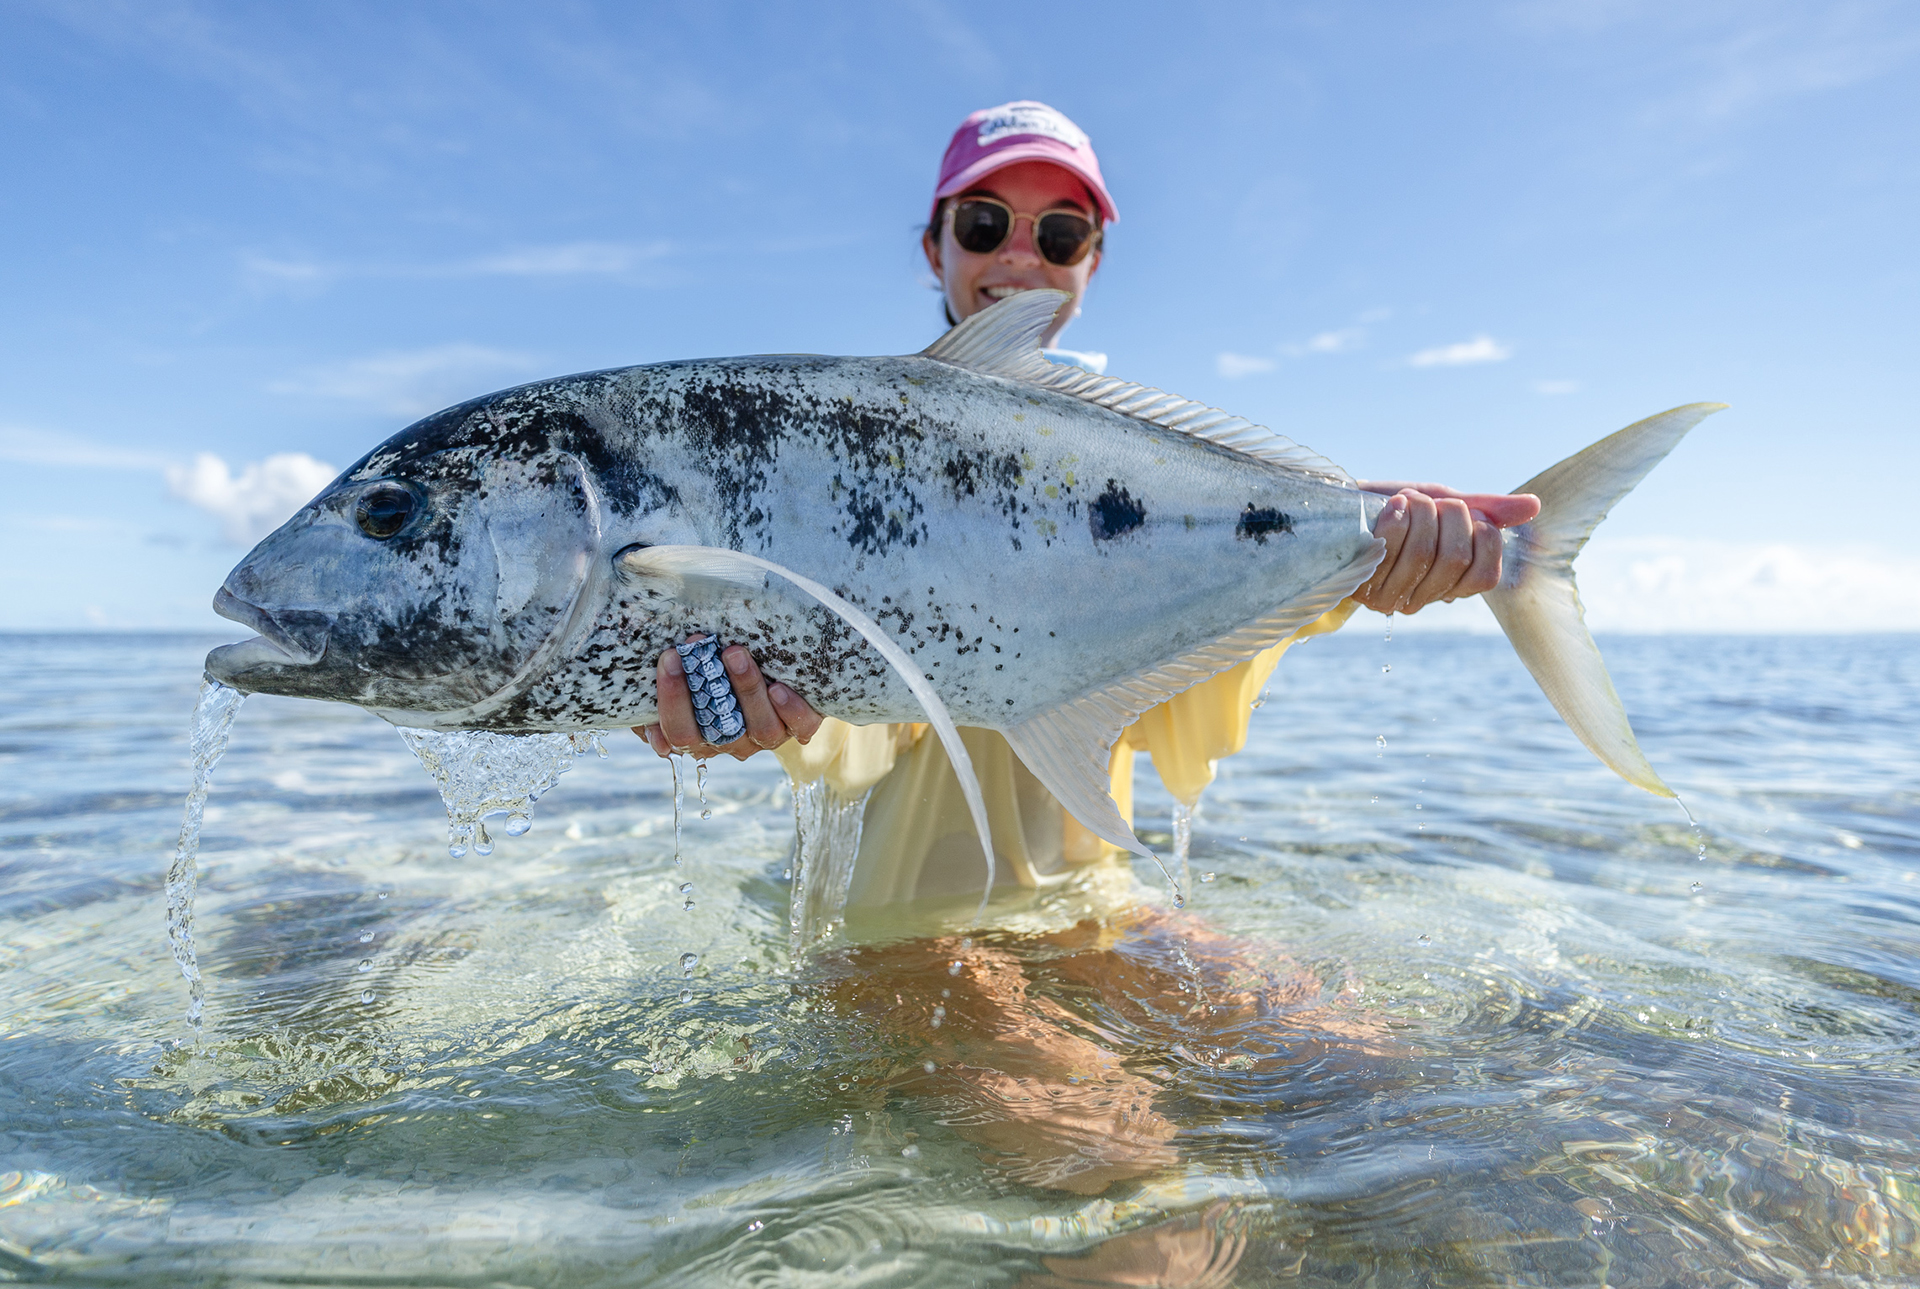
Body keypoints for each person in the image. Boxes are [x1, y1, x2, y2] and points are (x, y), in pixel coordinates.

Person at [637, 100, 1540, 913]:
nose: (1021, 256)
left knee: (1385, 1063)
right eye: (986, 224)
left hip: (1096, 908)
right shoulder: (834, 455)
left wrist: (1350, 566)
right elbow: (850, 735)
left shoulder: (1154, 469)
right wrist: (732, 697)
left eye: (1060, 235)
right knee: (1076, 1105)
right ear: (934, 245)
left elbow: (1169, 712)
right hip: (899, 934)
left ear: (1092, 262)